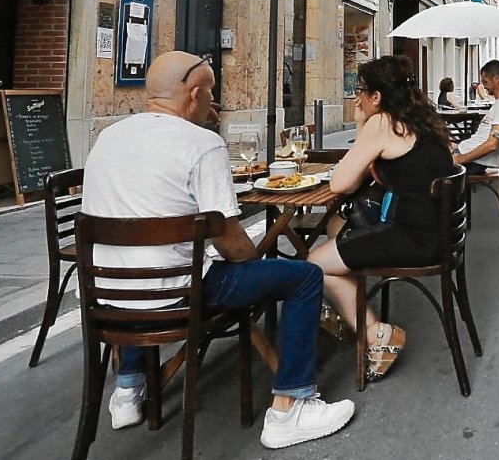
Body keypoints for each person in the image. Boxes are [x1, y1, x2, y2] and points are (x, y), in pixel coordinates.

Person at [82, 51, 354, 450]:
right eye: (211, 94)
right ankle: (290, 407)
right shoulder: (202, 144)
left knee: (139, 263)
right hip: (179, 295)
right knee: (304, 277)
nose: (216, 104)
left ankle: (128, 389)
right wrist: (259, 267)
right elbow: (230, 243)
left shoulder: (108, 136)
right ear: (194, 95)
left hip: (107, 295)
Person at [308, 56, 455, 383]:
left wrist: (363, 124)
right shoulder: (422, 120)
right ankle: (346, 314)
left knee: (312, 265)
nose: (357, 98)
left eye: (361, 91)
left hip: (411, 236)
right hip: (436, 233)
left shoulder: (383, 123)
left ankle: (376, 333)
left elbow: (340, 184)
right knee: (336, 229)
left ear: (377, 96)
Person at [453, 60, 499, 175]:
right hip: (470, 157)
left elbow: (492, 145)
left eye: (485, 81)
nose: (483, 86)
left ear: (496, 79)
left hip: (472, 162)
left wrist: (458, 159)